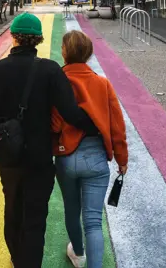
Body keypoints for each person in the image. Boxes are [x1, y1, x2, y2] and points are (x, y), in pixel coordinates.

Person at [0, 13, 96, 268]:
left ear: (14, 36)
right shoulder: (50, 70)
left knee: (12, 208)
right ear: (38, 40)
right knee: (35, 217)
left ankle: (16, 259)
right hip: (39, 156)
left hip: (8, 156)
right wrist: (97, 126)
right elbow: (70, 113)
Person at [52, 31, 128, 268]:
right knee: (94, 221)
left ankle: (78, 253)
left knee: (71, 211)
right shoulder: (102, 83)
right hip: (96, 159)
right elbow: (117, 125)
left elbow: (53, 124)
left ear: (64, 52)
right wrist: (121, 159)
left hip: (66, 157)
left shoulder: (58, 83)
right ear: (88, 53)